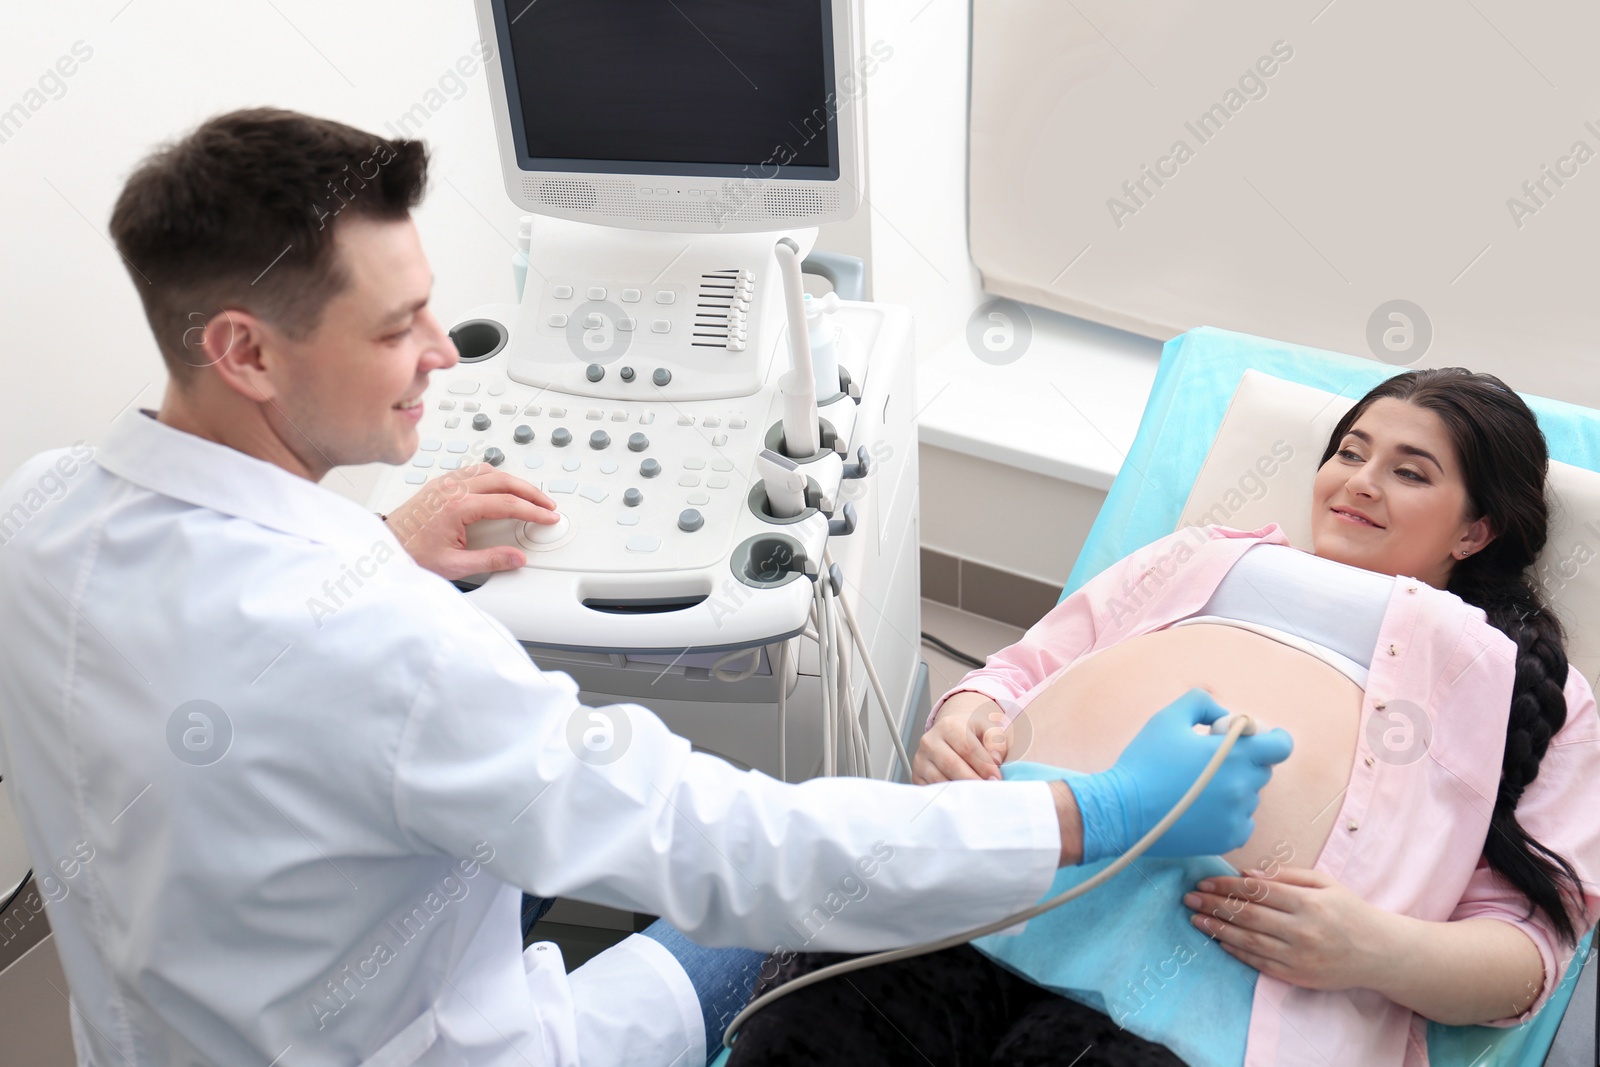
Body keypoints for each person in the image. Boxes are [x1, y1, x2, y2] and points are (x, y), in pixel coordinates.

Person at [0, 108, 1293, 1067]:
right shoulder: (391, 656)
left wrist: (377, 549)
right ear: (245, 351)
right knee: (784, 924)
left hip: (153, 1026)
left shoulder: (40, 505)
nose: (440, 355)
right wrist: (1092, 811)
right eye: (394, 326)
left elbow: (229, 636)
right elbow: (747, 850)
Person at [727, 369, 1600, 1066]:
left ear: (1475, 531)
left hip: (1204, 993)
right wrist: (965, 714)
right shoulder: (1200, 557)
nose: (1358, 483)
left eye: (1410, 472)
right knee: (807, 1032)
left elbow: (1531, 946)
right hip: (994, 891)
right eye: (1349, 452)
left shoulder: (1523, 681)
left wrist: (1376, 950)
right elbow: (1022, 669)